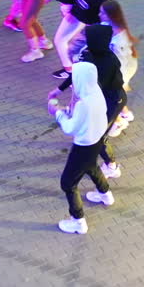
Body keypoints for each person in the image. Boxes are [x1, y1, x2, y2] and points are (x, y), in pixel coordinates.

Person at [48, 61, 114, 234]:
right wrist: (66, 111)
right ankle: (105, 194)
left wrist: (58, 113)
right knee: (92, 167)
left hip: (83, 146)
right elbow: (84, 117)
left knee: (68, 183)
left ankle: (78, 221)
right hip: (96, 141)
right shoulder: (96, 92)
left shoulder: (83, 104)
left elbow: (70, 128)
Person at [56, 24, 126, 177]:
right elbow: (77, 72)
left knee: (99, 136)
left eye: (88, 38)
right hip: (102, 99)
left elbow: (94, 86)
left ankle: (112, 166)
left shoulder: (108, 61)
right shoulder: (88, 53)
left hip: (113, 101)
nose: (85, 40)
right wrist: (59, 89)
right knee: (95, 132)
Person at [100, 0, 139, 136]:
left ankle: (117, 122)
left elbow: (118, 64)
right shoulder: (109, 26)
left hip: (122, 69)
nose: (99, 15)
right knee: (115, 94)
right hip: (123, 66)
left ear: (110, 16)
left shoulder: (119, 41)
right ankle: (126, 113)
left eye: (102, 13)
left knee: (108, 97)